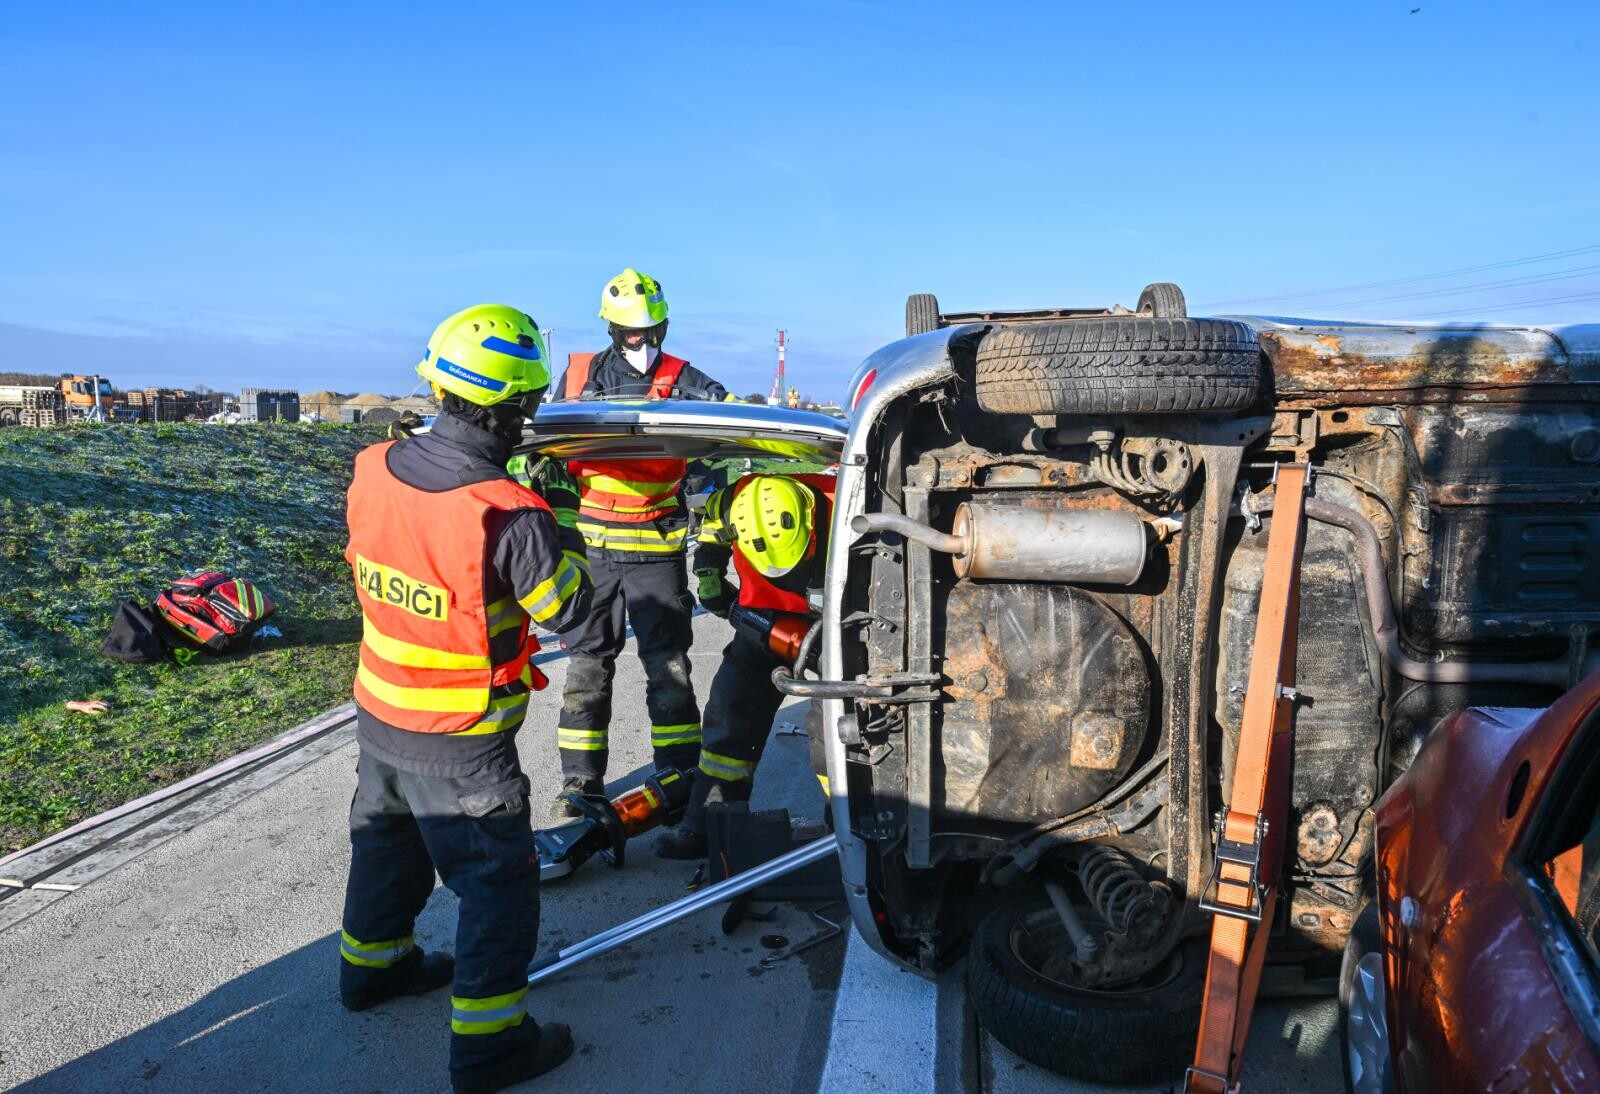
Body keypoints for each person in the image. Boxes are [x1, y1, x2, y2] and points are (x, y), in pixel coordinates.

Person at [339, 304, 592, 1094]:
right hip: (463, 740)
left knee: (387, 848)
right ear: (516, 408)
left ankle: (372, 972)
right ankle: (490, 1050)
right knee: (497, 888)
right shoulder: (507, 512)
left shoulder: (372, 464)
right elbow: (575, 619)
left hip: (383, 715)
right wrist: (568, 536)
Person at [529, 268, 727, 820]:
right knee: (587, 667)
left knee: (669, 666)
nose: (639, 343)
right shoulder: (575, 377)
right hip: (592, 553)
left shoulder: (689, 381)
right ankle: (579, 784)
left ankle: (680, 776)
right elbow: (546, 454)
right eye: (629, 333)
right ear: (612, 328)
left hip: (655, 550)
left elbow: (723, 444)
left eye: (648, 332)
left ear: (663, 326)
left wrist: (709, 537)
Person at [653, 471, 834, 859]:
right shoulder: (734, 499)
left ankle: (848, 826)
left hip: (836, 623)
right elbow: (711, 534)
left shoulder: (848, 498)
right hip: (762, 621)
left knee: (832, 730)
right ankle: (707, 826)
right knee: (728, 714)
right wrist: (709, 574)